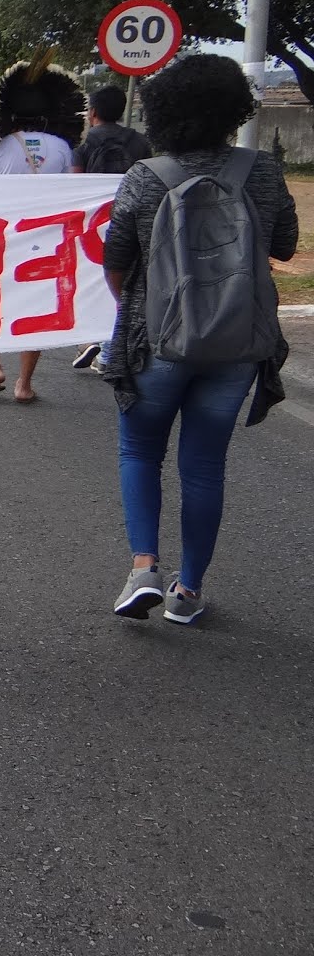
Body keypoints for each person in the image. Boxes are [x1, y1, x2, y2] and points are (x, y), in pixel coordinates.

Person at [104, 54, 298, 626]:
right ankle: (187, 593)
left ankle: (144, 569)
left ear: (163, 111)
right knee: (204, 466)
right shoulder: (260, 171)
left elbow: (116, 260)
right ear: (234, 109)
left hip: (156, 343)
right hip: (237, 343)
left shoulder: (146, 177)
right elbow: (284, 245)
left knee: (139, 450)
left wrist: (134, 309)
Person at [0, 56, 83, 402]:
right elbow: (71, 192)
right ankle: (24, 384)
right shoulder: (62, 147)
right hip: (46, 240)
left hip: (0, 239)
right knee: (35, 306)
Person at [70, 85, 154, 370]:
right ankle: (113, 342)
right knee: (129, 281)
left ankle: (100, 341)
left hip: (95, 228)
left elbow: (76, 190)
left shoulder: (83, 148)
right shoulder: (141, 143)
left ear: (92, 112)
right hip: (135, 222)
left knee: (95, 281)